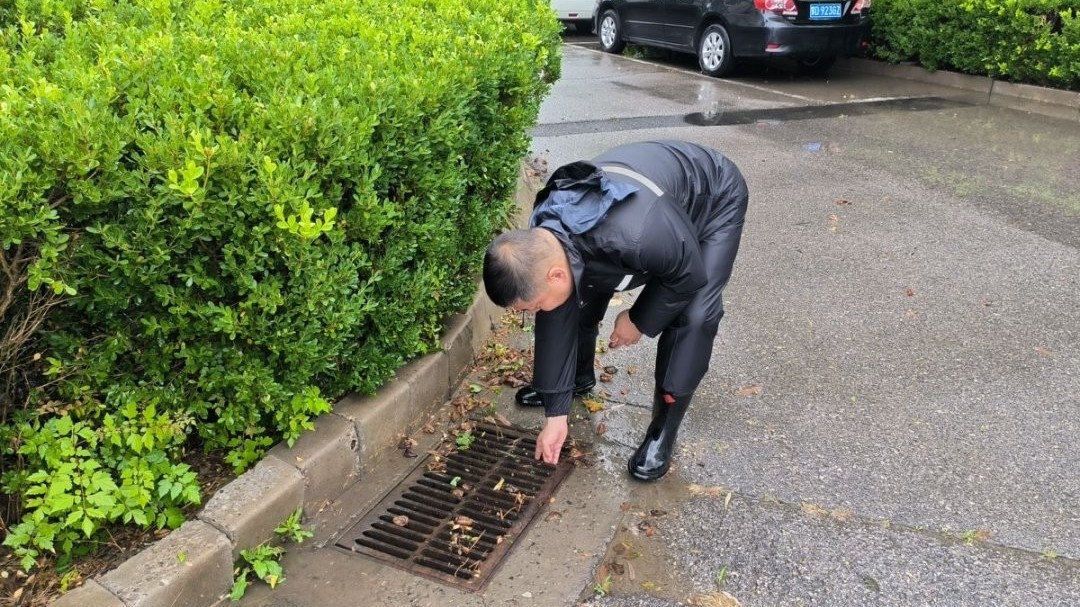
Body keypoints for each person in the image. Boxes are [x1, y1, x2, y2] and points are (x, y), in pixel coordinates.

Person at [483, 140, 748, 481]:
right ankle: (576, 381)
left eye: (531, 307)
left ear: (556, 274)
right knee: (571, 296)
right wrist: (556, 414)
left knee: (694, 316)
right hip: (646, 216)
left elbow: (687, 274)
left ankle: (663, 429)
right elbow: (557, 314)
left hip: (710, 199)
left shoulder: (637, 235)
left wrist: (638, 319)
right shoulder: (544, 233)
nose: (534, 313)